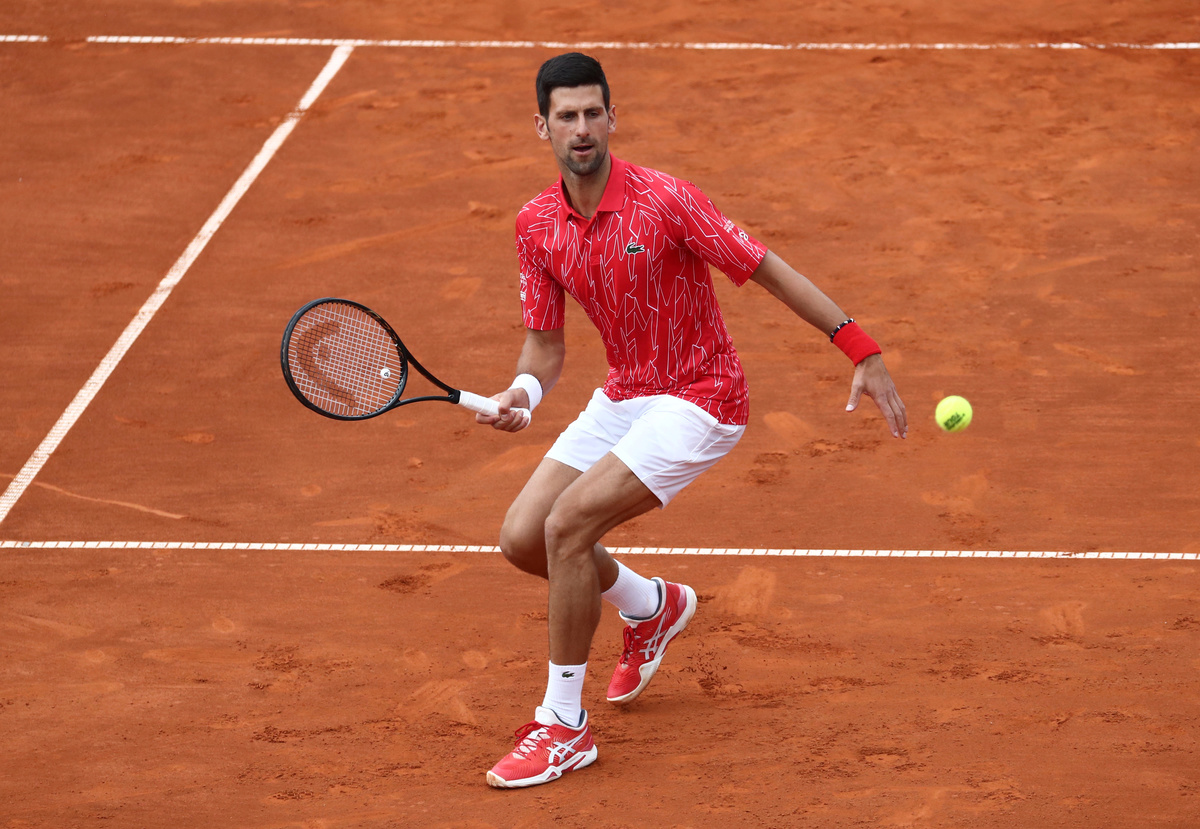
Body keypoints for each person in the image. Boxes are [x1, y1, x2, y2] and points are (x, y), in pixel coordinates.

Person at [475, 52, 907, 789]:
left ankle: (564, 724)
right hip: (624, 395)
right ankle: (649, 606)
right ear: (542, 126)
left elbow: (766, 267)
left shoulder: (666, 200)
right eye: (566, 116)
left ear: (612, 117)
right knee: (523, 537)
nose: (582, 129)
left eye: (593, 113)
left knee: (567, 525)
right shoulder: (536, 225)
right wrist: (523, 390)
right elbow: (545, 346)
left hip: (703, 396)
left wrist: (859, 346)